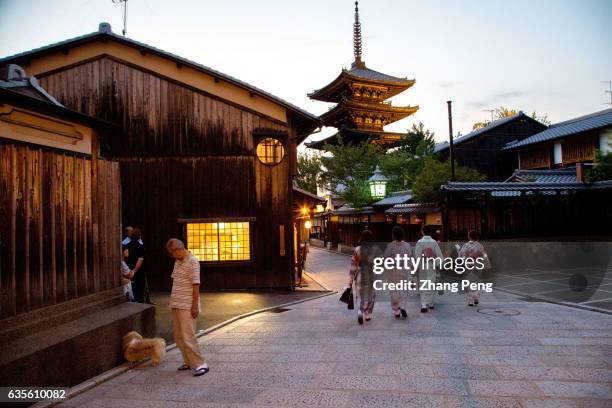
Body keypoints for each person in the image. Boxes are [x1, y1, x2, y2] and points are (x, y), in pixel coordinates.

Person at [166, 238, 209, 377]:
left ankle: (201, 364)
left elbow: (196, 285)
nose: (172, 256)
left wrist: (195, 307)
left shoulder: (193, 262)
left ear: (179, 249)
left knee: (188, 336)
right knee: (179, 337)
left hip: (187, 305)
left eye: (173, 253)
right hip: (176, 303)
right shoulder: (177, 262)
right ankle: (189, 361)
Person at [349, 229, 382, 325]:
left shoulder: (358, 249)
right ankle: (367, 314)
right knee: (371, 296)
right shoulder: (376, 249)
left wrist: (351, 278)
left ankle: (360, 310)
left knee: (360, 296)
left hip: (360, 275)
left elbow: (353, 264)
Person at [414, 225, 444, 313]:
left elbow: (417, 255)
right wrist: (435, 260)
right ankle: (430, 303)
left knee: (423, 283)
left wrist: (417, 265)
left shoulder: (419, 242)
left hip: (423, 265)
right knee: (431, 283)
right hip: (431, 265)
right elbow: (439, 256)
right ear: (430, 232)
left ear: (422, 232)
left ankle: (423, 304)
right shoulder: (434, 242)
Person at [383, 226, 411, 319]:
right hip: (404, 269)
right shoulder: (407, 245)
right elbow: (410, 256)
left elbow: (386, 257)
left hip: (393, 270)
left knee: (394, 290)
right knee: (404, 290)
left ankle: (397, 310)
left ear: (393, 235)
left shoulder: (390, 245)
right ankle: (403, 306)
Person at [458, 230, 486, 306]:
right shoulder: (480, 245)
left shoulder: (466, 245)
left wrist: (459, 251)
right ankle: (476, 297)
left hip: (468, 265)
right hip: (478, 265)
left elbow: (461, 255)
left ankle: (470, 300)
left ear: (469, 236)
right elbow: (484, 255)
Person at [126, 228, 146, 303]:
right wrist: (134, 270)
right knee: (140, 292)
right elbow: (140, 260)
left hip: (128, 270)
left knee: (131, 290)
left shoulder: (126, 246)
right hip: (139, 271)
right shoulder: (140, 246)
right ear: (139, 236)